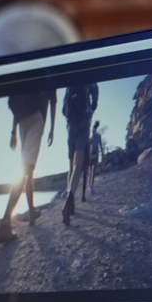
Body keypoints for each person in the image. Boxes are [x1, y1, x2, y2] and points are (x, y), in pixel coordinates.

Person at [0, 88, 56, 243]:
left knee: (28, 168)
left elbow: (17, 101)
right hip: (36, 118)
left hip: (22, 121)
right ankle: (5, 223)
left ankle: (32, 212)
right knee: (27, 169)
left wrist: (13, 132)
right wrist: (52, 129)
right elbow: (53, 102)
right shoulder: (48, 75)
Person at [62, 82, 100, 227]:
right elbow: (95, 97)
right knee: (79, 162)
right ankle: (69, 201)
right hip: (83, 120)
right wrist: (90, 111)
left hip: (70, 123)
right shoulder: (90, 78)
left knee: (71, 165)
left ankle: (68, 200)